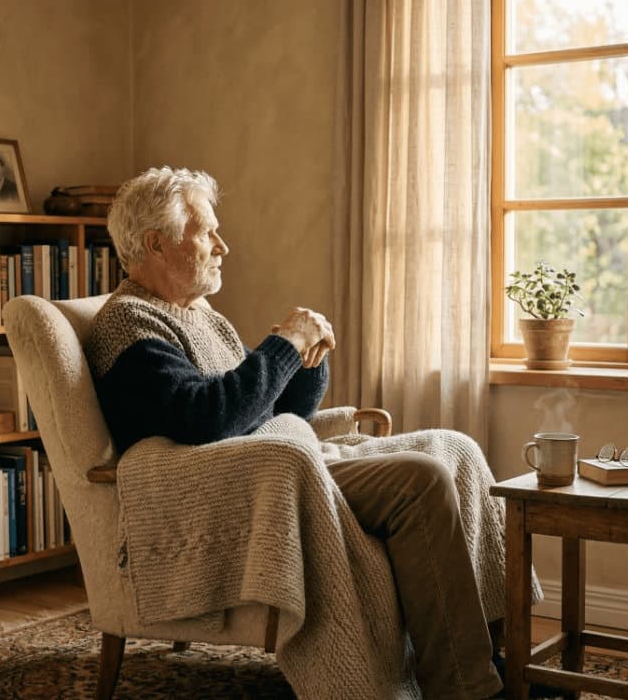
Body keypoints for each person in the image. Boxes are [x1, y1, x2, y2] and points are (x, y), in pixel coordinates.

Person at [85, 166, 537, 700]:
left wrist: (305, 360)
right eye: (207, 232)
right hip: (240, 490)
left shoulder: (200, 315)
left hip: (275, 461)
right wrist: (282, 345)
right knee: (421, 479)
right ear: (157, 244)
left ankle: (489, 654)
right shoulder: (128, 323)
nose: (222, 245)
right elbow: (205, 418)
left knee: (453, 448)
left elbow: (273, 410)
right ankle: (467, 689)